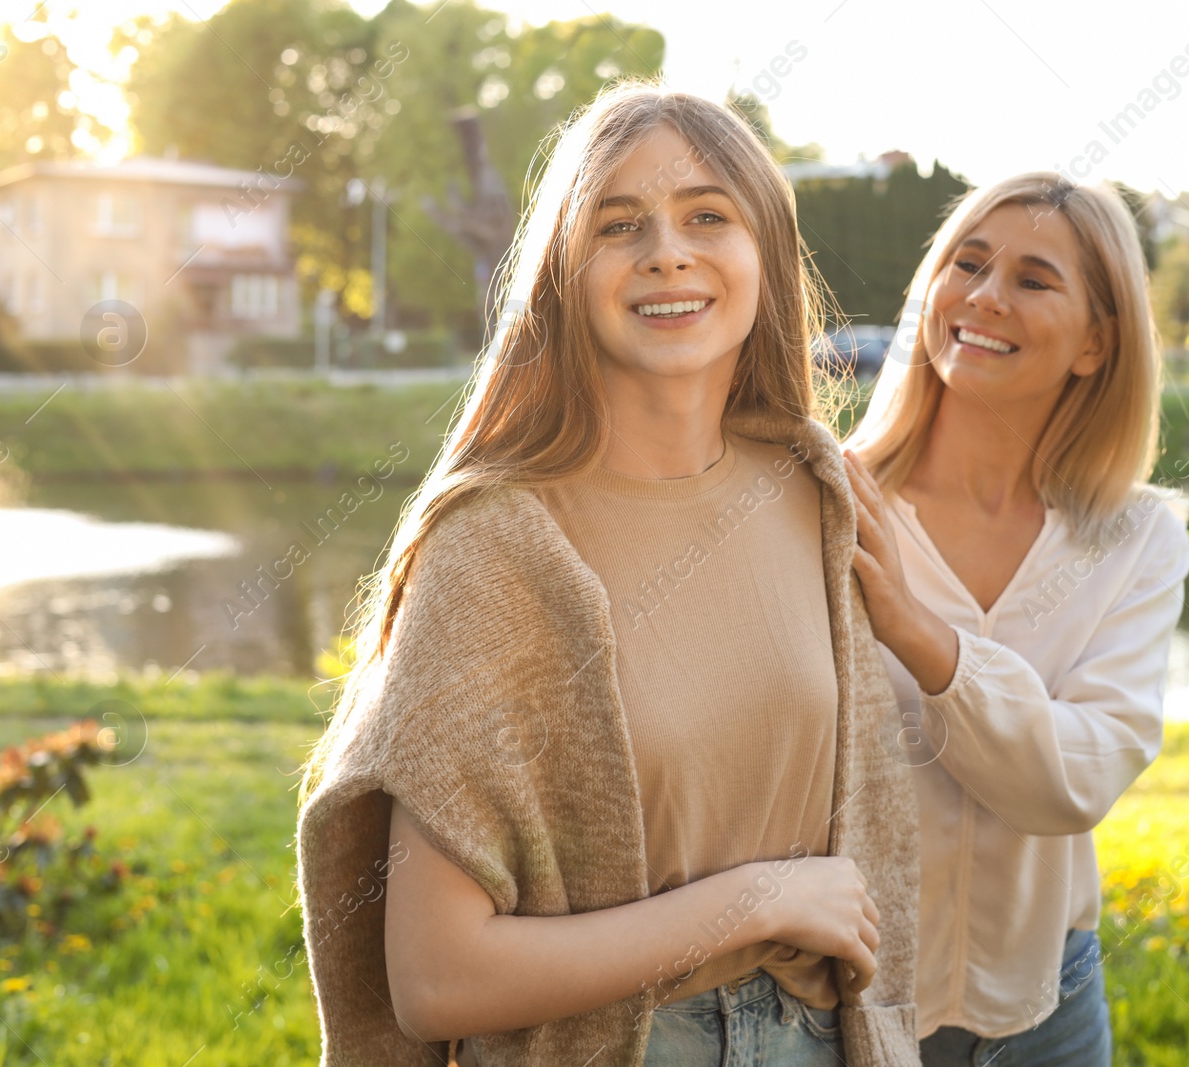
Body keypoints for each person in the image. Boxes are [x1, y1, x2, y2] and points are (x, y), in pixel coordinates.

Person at [295, 82, 921, 1067]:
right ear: (564, 275)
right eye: (617, 225)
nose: (666, 251)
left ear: (763, 250)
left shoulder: (814, 492)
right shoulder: (498, 546)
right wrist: (750, 901)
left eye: (706, 215)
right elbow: (436, 979)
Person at [842, 173, 1189, 1066]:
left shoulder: (1139, 539)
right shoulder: (830, 499)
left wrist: (921, 637)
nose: (985, 296)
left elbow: (1077, 779)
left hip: (1051, 1013)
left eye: (1035, 279)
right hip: (844, 1005)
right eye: (968, 262)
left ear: (1095, 344)